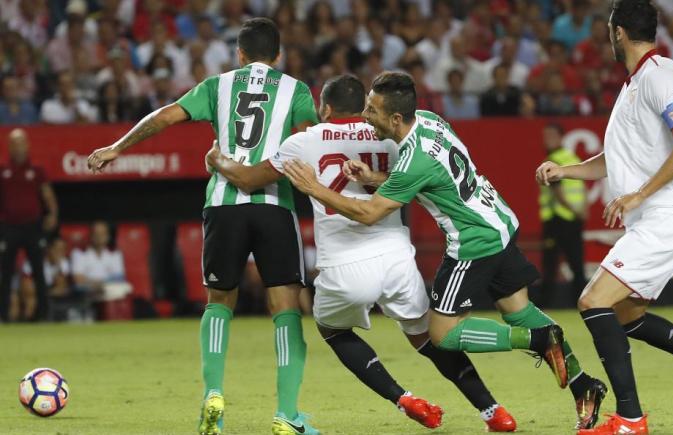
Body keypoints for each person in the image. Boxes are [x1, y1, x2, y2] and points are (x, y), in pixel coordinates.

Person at [282, 71, 608, 431]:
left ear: (394, 118)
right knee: (519, 310)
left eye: (371, 110)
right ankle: (584, 386)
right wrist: (374, 178)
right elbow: (433, 180)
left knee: (442, 335)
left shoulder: (411, 160)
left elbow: (370, 212)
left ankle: (538, 339)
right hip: (497, 220)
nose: (364, 117)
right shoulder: (431, 122)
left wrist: (314, 187)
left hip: (472, 242)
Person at [207, 74, 525, 432]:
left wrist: (218, 159)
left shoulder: (303, 142)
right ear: (363, 107)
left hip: (344, 265)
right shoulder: (391, 136)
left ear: (325, 108)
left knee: (332, 329)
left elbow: (249, 179)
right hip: (397, 260)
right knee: (429, 338)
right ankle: (493, 410)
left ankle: (403, 398)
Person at [86, 18, 320, 435]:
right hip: (273, 206)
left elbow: (165, 116)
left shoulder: (218, 85)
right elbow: (306, 149)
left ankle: (213, 395)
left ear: (240, 54)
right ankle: (287, 415)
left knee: (219, 303)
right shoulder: (296, 91)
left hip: (222, 205)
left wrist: (117, 147)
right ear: (279, 55)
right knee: (285, 309)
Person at [535, 2, 673, 434]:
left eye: (608, 30)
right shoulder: (635, 84)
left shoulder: (660, 75)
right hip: (655, 216)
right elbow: (614, 160)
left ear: (618, 32)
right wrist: (567, 170)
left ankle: (631, 418)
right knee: (626, 315)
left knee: (593, 302)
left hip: (670, 213)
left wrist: (638, 195)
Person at [0, 129, 58, 322]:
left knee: (38, 271)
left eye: (21, 143)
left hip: (32, 226)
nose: (18, 147)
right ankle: (4, 316)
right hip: (8, 227)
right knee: (5, 273)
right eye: (14, 143)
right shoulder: (3, 170)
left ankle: (43, 315)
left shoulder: (36, 170)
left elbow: (47, 194)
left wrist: (52, 213)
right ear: (9, 147)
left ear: (27, 145)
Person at [538, 123, 587, 307]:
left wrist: (576, 211)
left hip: (557, 219)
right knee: (577, 264)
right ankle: (582, 303)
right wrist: (581, 211)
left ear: (560, 138)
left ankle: (545, 304)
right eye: (546, 136)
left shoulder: (553, 160)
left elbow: (558, 192)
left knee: (550, 265)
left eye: (551, 135)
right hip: (573, 219)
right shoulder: (572, 158)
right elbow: (580, 187)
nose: (547, 139)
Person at [71, 221, 131, 304]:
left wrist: (97, 283)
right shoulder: (79, 253)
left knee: (125, 287)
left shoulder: (115, 254)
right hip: (88, 291)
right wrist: (100, 284)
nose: (99, 237)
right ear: (91, 235)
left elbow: (119, 278)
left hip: (108, 291)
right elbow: (78, 280)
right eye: (96, 233)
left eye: (102, 234)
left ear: (108, 236)